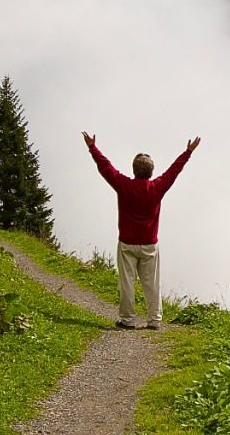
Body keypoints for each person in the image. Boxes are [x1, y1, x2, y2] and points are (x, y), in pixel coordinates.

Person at [81, 131, 201, 330]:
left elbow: (105, 167)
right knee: (152, 283)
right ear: (151, 172)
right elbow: (174, 171)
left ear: (134, 170)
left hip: (127, 243)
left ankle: (127, 320)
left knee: (126, 282)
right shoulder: (157, 187)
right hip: (149, 244)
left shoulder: (124, 185)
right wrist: (187, 152)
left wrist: (92, 147)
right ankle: (154, 320)